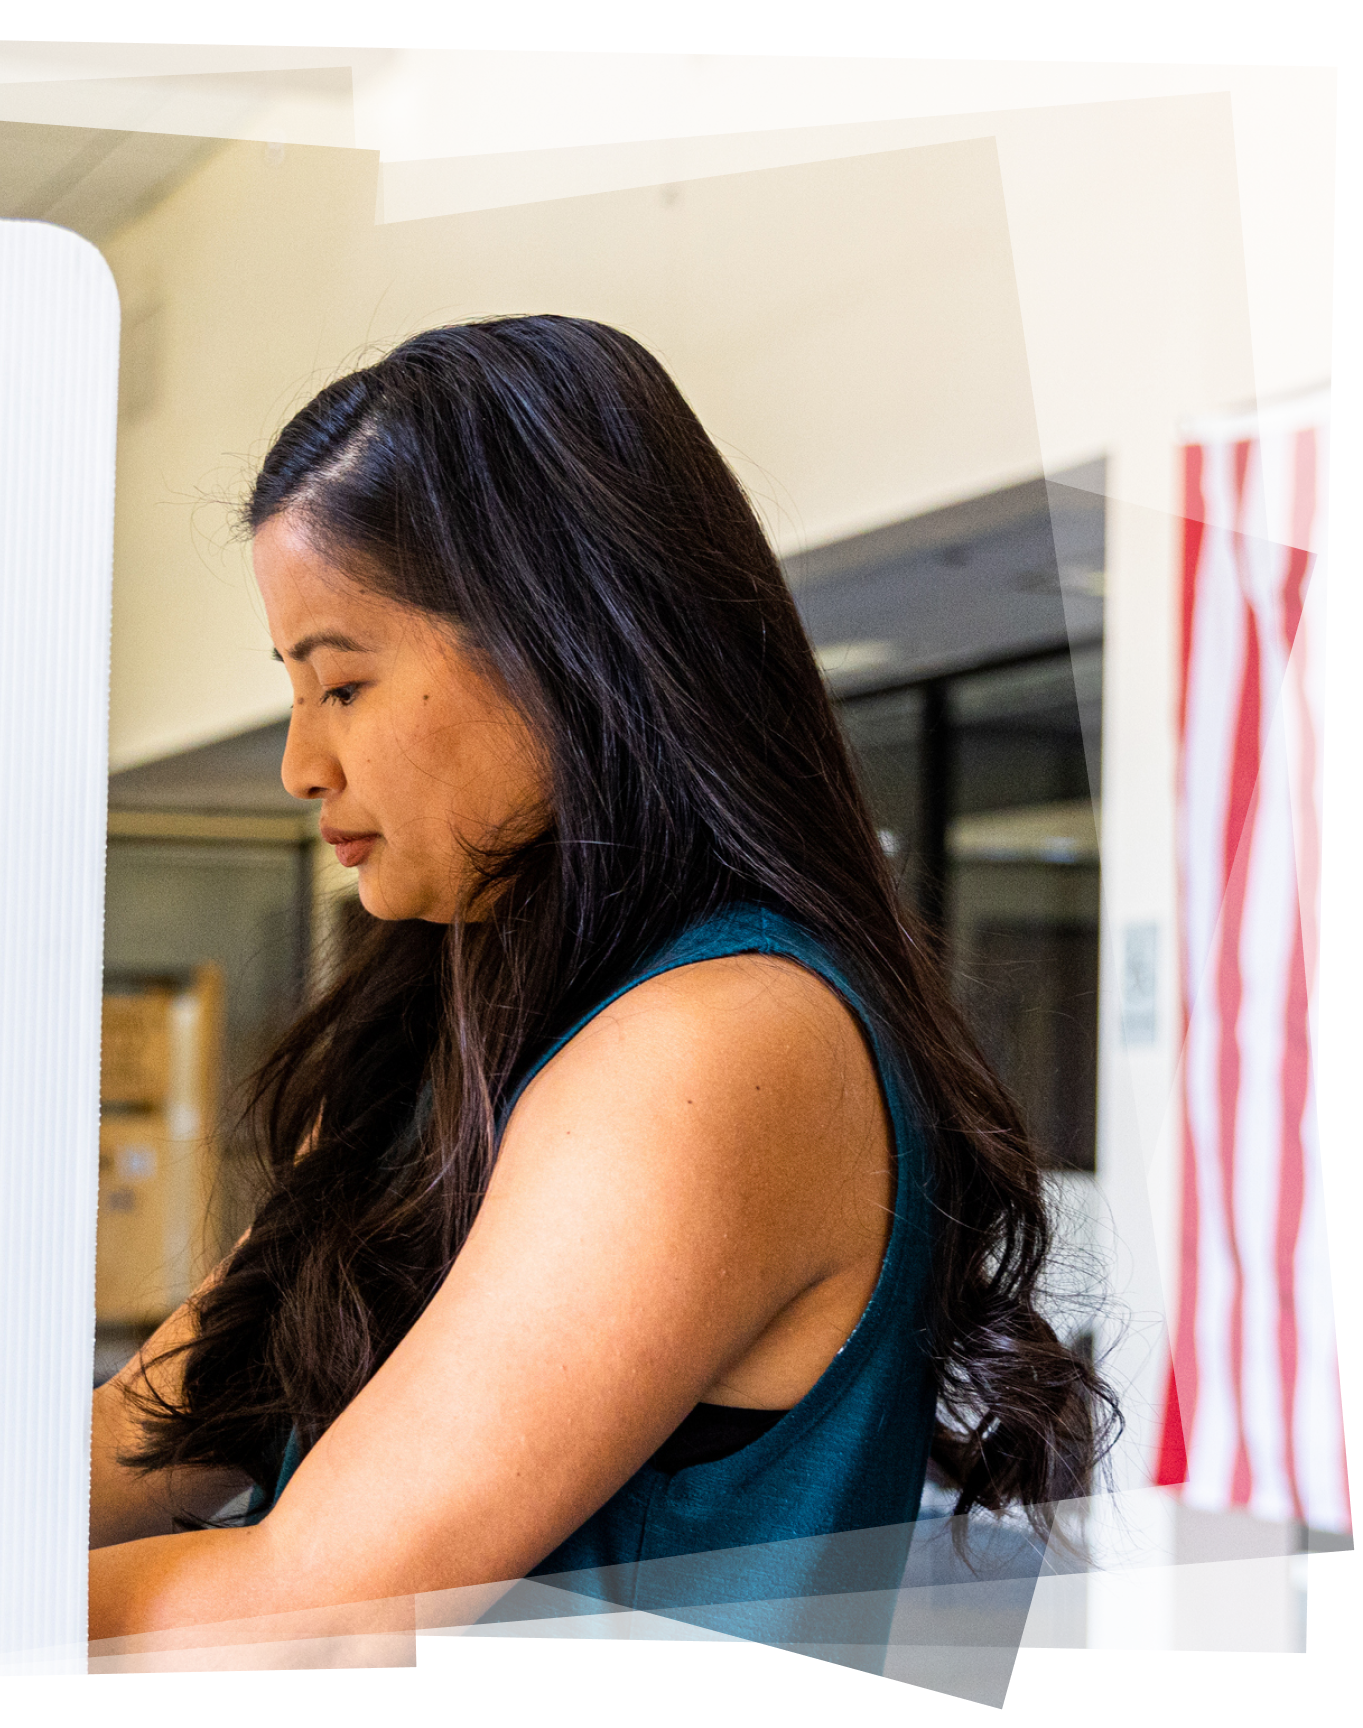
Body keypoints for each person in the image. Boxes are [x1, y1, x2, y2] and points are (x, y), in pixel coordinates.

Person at [87, 316, 1115, 1657]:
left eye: (342, 684)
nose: (301, 765)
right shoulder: (449, 1032)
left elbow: (318, 1616)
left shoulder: (717, 1045)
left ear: (561, 649)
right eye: (292, 688)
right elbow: (157, 1433)